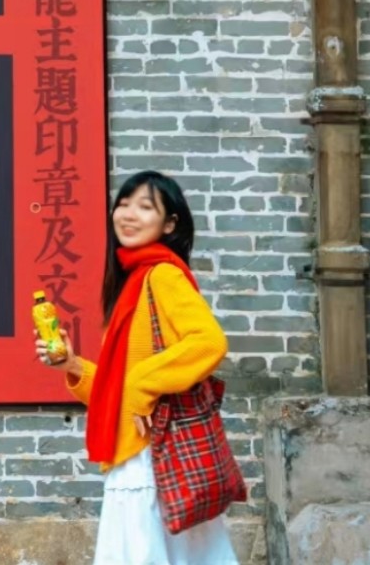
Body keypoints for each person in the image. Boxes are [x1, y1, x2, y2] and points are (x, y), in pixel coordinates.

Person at [36, 170, 240, 565]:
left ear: (170, 224)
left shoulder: (163, 275)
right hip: (147, 452)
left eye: (145, 207)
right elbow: (117, 392)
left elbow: (209, 342)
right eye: (124, 204)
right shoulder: (135, 281)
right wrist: (72, 364)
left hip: (153, 454)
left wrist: (142, 386)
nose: (128, 214)